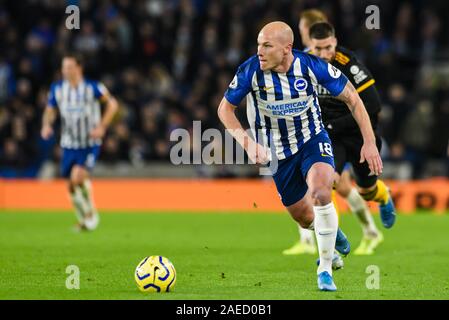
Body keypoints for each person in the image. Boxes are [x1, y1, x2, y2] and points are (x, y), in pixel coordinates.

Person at [217, 21, 382, 291]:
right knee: (304, 217)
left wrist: (369, 142)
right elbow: (225, 109)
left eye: (267, 45)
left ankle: (325, 269)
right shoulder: (250, 71)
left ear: (286, 49)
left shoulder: (311, 66)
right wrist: (247, 144)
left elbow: (352, 97)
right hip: (277, 153)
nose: (260, 51)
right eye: (259, 44)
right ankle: (331, 231)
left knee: (321, 192)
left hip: (312, 140)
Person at [283, 9, 384, 257]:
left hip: (341, 133)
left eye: (303, 30)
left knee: (335, 186)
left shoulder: (341, 62)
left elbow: (368, 104)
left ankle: (361, 231)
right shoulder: (300, 62)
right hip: (321, 134)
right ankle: (327, 241)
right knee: (325, 185)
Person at [308, 22, 396, 236]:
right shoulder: (305, 64)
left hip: (358, 135)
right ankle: (332, 240)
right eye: (318, 48)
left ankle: (383, 196)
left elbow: (373, 106)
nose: (323, 53)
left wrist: (367, 140)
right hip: (331, 138)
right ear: (310, 45)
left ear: (335, 42)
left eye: (328, 47)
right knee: (328, 183)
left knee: (367, 191)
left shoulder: (349, 65)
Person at [41, 54, 118, 231]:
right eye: (63, 67)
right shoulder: (57, 89)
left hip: (90, 142)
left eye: (69, 67)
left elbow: (113, 105)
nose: (65, 71)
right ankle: (85, 217)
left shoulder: (93, 87)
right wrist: (46, 125)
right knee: (71, 186)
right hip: (69, 144)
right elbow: (50, 110)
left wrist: (102, 126)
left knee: (78, 177)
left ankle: (91, 216)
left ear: (79, 68)